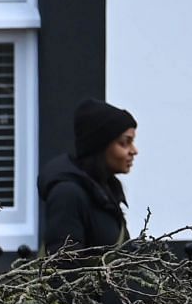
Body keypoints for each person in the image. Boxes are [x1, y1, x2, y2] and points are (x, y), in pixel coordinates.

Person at [39, 99, 136, 254]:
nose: (134, 150)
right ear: (100, 145)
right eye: (125, 142)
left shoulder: (105, 192)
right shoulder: (68, 194)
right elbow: (64, 268)